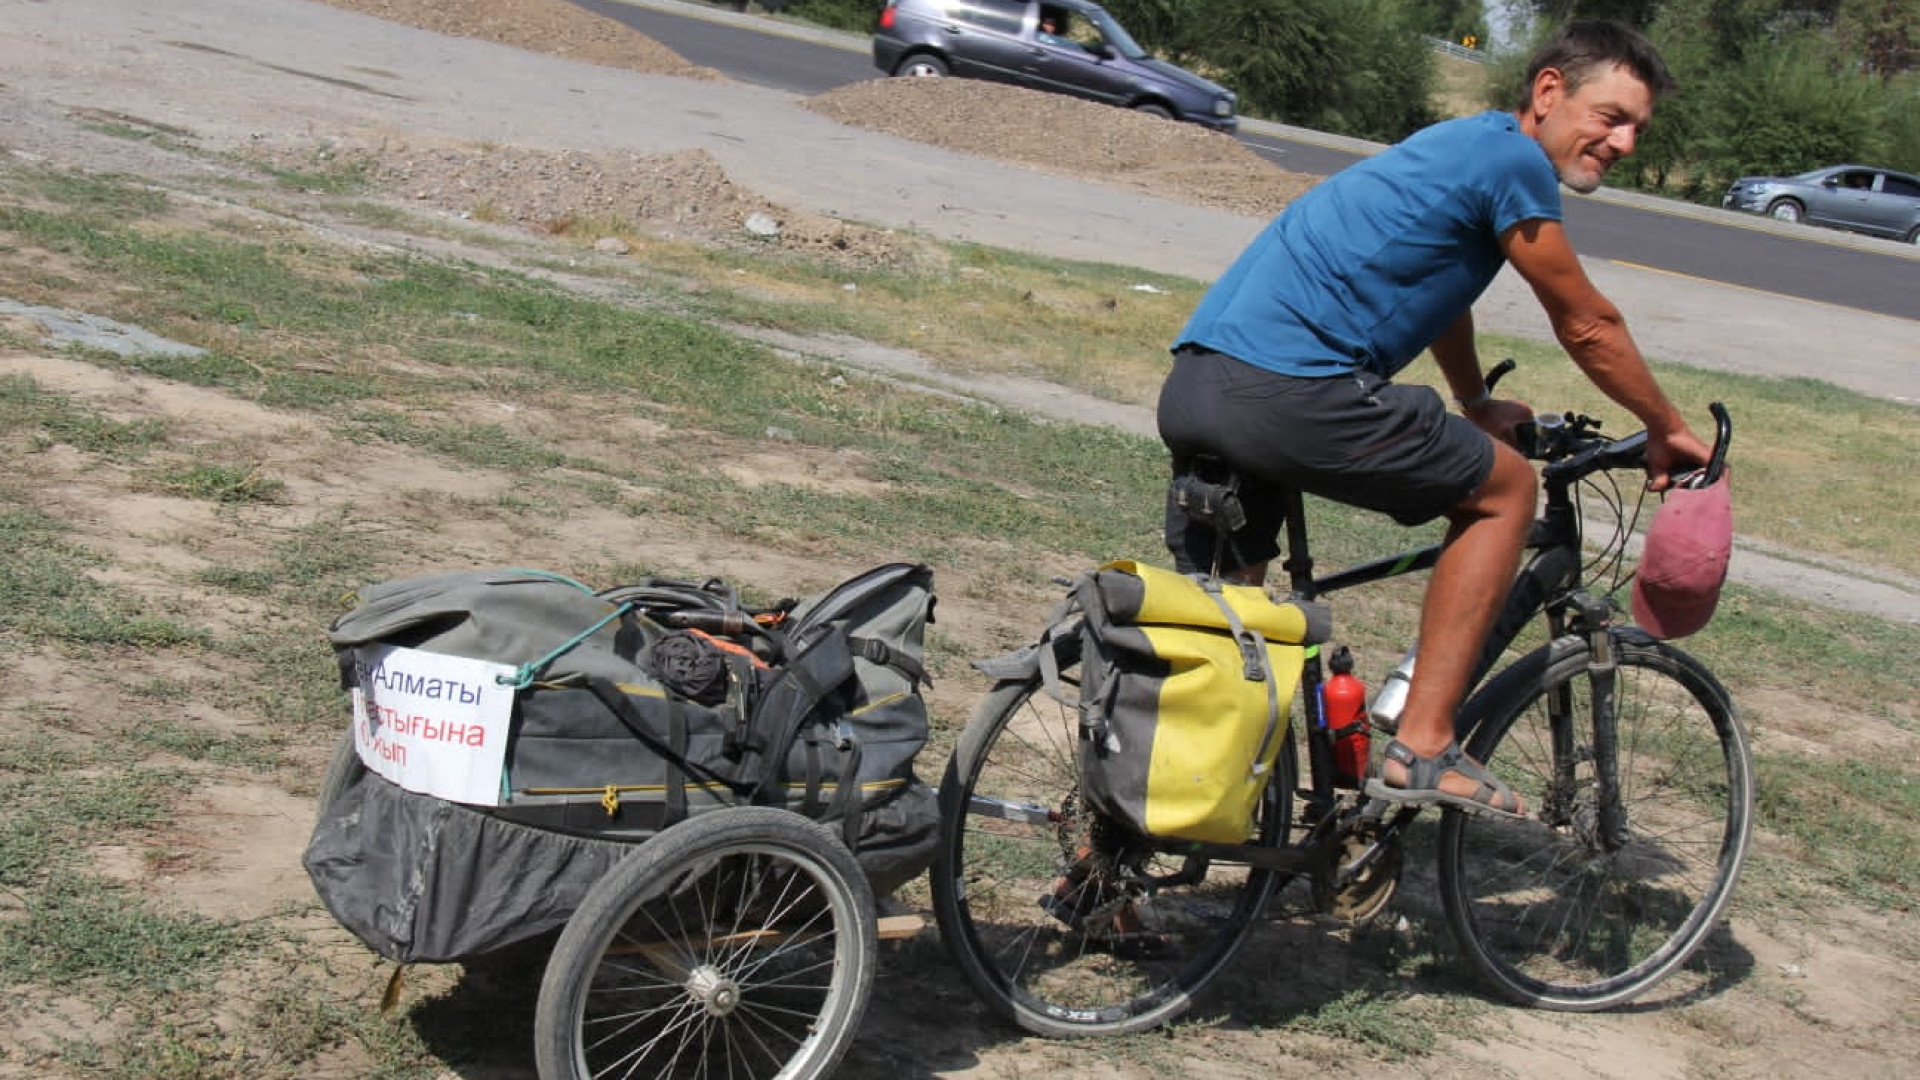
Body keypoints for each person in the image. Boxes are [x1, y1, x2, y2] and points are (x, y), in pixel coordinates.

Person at [1156, 20, 1712, 818]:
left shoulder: (1461, 145)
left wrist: (1475, 400)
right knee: (1508, 493)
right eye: (1611, 116)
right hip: (1293, 393)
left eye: (1637, 129)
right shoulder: (1516, 161)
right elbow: (1587, 322)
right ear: (1549, 91)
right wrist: (1664, 425)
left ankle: (1113, 867)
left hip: (1200, 382)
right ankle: (1422, 746)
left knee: (1221, 642)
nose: (1622, 140)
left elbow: (1444, 285)